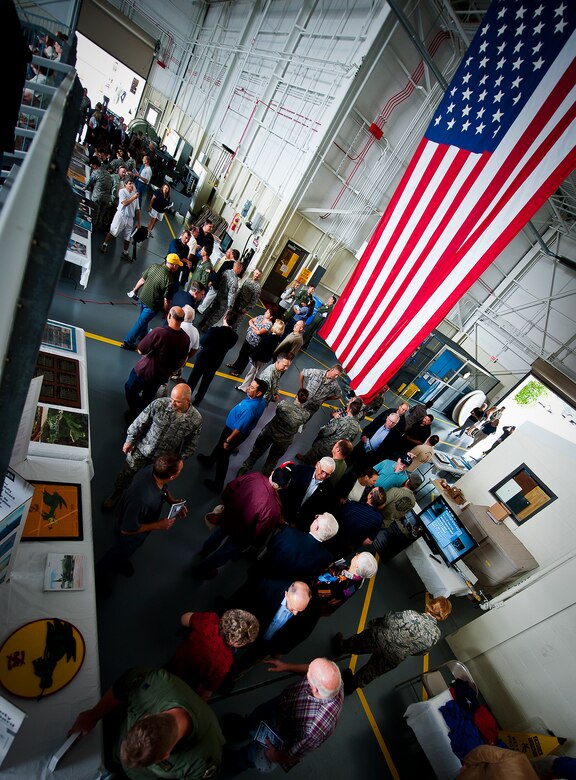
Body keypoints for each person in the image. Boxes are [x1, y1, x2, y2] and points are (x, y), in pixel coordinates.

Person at [69, 666, 224, 778]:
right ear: (146, 717)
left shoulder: (203, 761)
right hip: (116, 748)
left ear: (164, 756)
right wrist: (94, 714)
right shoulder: (154, 684)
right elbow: (123, 685)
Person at [224, 657, 343, 772]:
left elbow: (296, 754)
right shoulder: (333, 679)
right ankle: (243, 729)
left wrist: (274, 756)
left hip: (280, 732)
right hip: (281, 705)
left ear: (315, 689)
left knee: (253, 752)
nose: (308, 671)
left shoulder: (316, 729)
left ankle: (237, 762)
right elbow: (311, 669)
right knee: (255, 718)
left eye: (309, 674)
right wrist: (286, 667)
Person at [102, 383, 201, 510]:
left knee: (154, 483)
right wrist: (129, 440)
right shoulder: (159, 404)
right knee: (127, 472)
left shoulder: (195, 419)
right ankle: (117, 493)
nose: (172, 404)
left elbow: (192, 443)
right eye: (172, 399)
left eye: (177, 402)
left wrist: (180, 459)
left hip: (163, 459)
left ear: (188, 401)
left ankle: (138, 502)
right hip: (143, 448)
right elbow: (140, 422)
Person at [333, 596, 452, 693]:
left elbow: (388, 621)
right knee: (370, 673)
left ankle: (340, 647)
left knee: (356, 643)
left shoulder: (412, 615)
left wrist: (373, 624)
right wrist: (405, 649)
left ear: (430, 604)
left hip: (379, 639)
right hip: (394, 657)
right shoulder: (436, 635)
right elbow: (422, 652)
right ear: (442, 617)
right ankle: (350, 686)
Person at [97, 453, 187, 580]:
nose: (182, 470)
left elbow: (163, 487)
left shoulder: (152, 469)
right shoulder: (143, 500)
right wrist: (158, 525)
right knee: (118, 552)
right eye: (181, 470)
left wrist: (171, 499)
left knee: (127, 551)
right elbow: (127, 529)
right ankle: (99, 575)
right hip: (130, 532)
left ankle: (121, 560)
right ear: (173, 476)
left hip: (136, 519)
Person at [196, 464, 294, 579]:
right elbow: (261, 532)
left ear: (272, 472)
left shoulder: (255, 476)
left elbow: (230, 487)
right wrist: (254, 543)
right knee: (225, 552)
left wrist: (226, 505)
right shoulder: (275, 508)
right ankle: (203, 570)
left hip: (229, 516)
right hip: (242, 535)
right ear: (285, 486)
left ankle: (204, 551)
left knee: (218, 534)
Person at [197, 377, 268, 492]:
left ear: (259, 393)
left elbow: (239, 429)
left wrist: (228, 440)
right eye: (250, 385)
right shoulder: (261, 401)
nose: (249, 388)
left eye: (252, 387)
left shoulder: (250, 409)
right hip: (233, 429)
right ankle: (210, 460)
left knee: (223, 457)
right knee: (220, 446)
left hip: (233, 433)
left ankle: (218, 484)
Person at [170, 609, 259, 699]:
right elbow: (206, 689)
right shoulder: (224, 661)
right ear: (235, 642)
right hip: (190, 679)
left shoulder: (210, 619)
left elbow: (184, 618)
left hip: (181, 657)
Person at [124, 307, 190, 417]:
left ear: (169, 316)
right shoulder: (185, 339)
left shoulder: (159, 332)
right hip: (161, 376)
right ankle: (140, 414)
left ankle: (134, 410)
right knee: (147, 397)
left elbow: (141, 349)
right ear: (182, 320)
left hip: (145, 371)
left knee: (130, 388)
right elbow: (183, 360)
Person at [238, 389, 310, 476]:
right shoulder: (305, 415)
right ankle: (264, 478)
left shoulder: (284, 404)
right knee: (272, 460)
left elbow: (277, 411)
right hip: (284, 441)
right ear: (306, 400)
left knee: (256, 451)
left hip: (270, 432)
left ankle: (245, 467)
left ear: (296, 396)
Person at [254, 513, 339, 584]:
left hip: (262, 578)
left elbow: (270, 547)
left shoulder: (289, 533)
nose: (315, 517)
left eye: (317, 518)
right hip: (284, 594)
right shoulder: (327, 558)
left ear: (316, 527)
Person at [122, 255, 182, 350]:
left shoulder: (154, 266)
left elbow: (142, 280)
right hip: (152, 305)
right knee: (141, 322)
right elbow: (167, 300)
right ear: (174, 265)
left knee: (143, 319)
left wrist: (135, 290)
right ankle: (128, 342)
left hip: (143, 298)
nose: (178, 267)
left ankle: (143, 334)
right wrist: (167, 312)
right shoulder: (169, 280)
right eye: (177, 265)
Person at [186, 309, 239, 404]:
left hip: (204, 358)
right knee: (206, 382)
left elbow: (203, 342)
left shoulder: (214, 330)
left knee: (194, 378)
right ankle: (198, 400)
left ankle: (186, 397)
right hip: (216, 361)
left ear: (225, 318)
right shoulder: (234, 336)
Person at [298, 398, 363, 463]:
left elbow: (325, 432)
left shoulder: (341, 420)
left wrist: (322, 431)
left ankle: (306, 460)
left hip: (324, 445)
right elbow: (348, 442)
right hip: (335, 451)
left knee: (311, 457)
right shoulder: (357, 427)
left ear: (349, 409)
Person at [330, 487, 387, 557]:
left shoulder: (351, 505)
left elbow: (336, 519)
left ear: (370, 496)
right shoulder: (379, 519)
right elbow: (368, 541)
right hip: (347, 547)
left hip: (333, 538)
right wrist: (355, 545)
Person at [280, 458, 335, 529]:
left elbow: (318, 512)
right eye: (322, 471)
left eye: (328, 474)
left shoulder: (329, 489)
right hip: (281, 515)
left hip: (297, 526)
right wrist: (279, 513)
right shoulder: (299, 470)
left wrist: (299, 525)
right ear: (317, 464)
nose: (324, 476)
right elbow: (284, 491)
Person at [237, 319, 286, 392]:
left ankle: (245, 387)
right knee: (254, 373)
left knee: (252, 373)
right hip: (264, 358)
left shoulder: (270, 338)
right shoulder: (276, 338)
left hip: (259, 358)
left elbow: (261, 349)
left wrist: (253, 356)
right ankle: (247, 386)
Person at [100, 178, 141, 260]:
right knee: (113, 232)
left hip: (130, 219)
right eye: (129, 183)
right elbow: (125, 203)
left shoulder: (135, 195)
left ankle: (125, 252)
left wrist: (138, 222)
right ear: (125, 184)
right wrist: (134, 197)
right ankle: (104, 245)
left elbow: (137, 209)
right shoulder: (122, 192)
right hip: (121, 216)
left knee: (128, 237)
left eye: (132, 183)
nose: (131, 185)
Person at [226, 308, 274, 376]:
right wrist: (254, 327)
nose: (265, 313)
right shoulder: (261, 317)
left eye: (268, 313)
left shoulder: (269, 324)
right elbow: (250, 320)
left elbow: (258, 332)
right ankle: (235, 365)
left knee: (246, 357)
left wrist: (252, 327)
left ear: (271, 316)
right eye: (266, 311)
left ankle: (239, 371)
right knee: (242, 353)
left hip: (254, 343)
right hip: (248, 338)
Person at [199, 259, 243, 330]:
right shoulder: (234, 281)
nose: (241, 270)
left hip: (218, 295)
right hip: (224, 301)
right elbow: (231, 295)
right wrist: (230, 307)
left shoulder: (226, 272)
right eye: (241, 268)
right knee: (216, 315)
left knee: (211, 310)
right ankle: (205, 327)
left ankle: (202, 322)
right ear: (238, 268)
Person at [85, 156, 113, 230]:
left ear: (95, 165)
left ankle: (91, 228)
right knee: (100, 215)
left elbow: (90, 182)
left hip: (97, 197)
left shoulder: (95, 172)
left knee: (94, 213)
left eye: (92, 165)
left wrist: (85, 188)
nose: (91, 166)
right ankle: (96, 228)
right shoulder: (107, 173)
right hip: (106, 198)